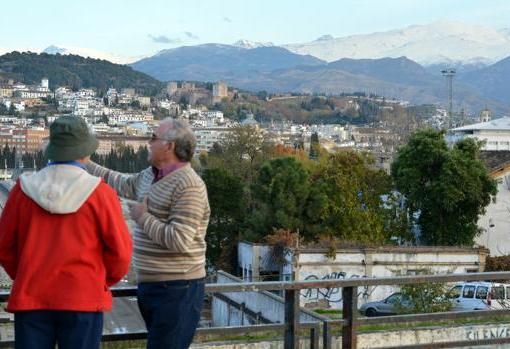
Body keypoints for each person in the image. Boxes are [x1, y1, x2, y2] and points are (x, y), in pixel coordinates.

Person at [0, 116, 133, 349]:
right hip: (83, 297)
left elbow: (4, 247)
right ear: (84, 152)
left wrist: (24, 273)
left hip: (32, 297)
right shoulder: (100, 193)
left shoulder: (22, 191)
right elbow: (121, 253)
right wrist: (99, 280)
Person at [87, 118, 210, 349]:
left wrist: (142, 217)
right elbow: (120, 181)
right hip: (154, 286)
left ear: (169, 146)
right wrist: (86, 163)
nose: (148, 142)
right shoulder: (151, 175)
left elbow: (180, 240)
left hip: (178, 288)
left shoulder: (189, 185)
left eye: (153, 138)